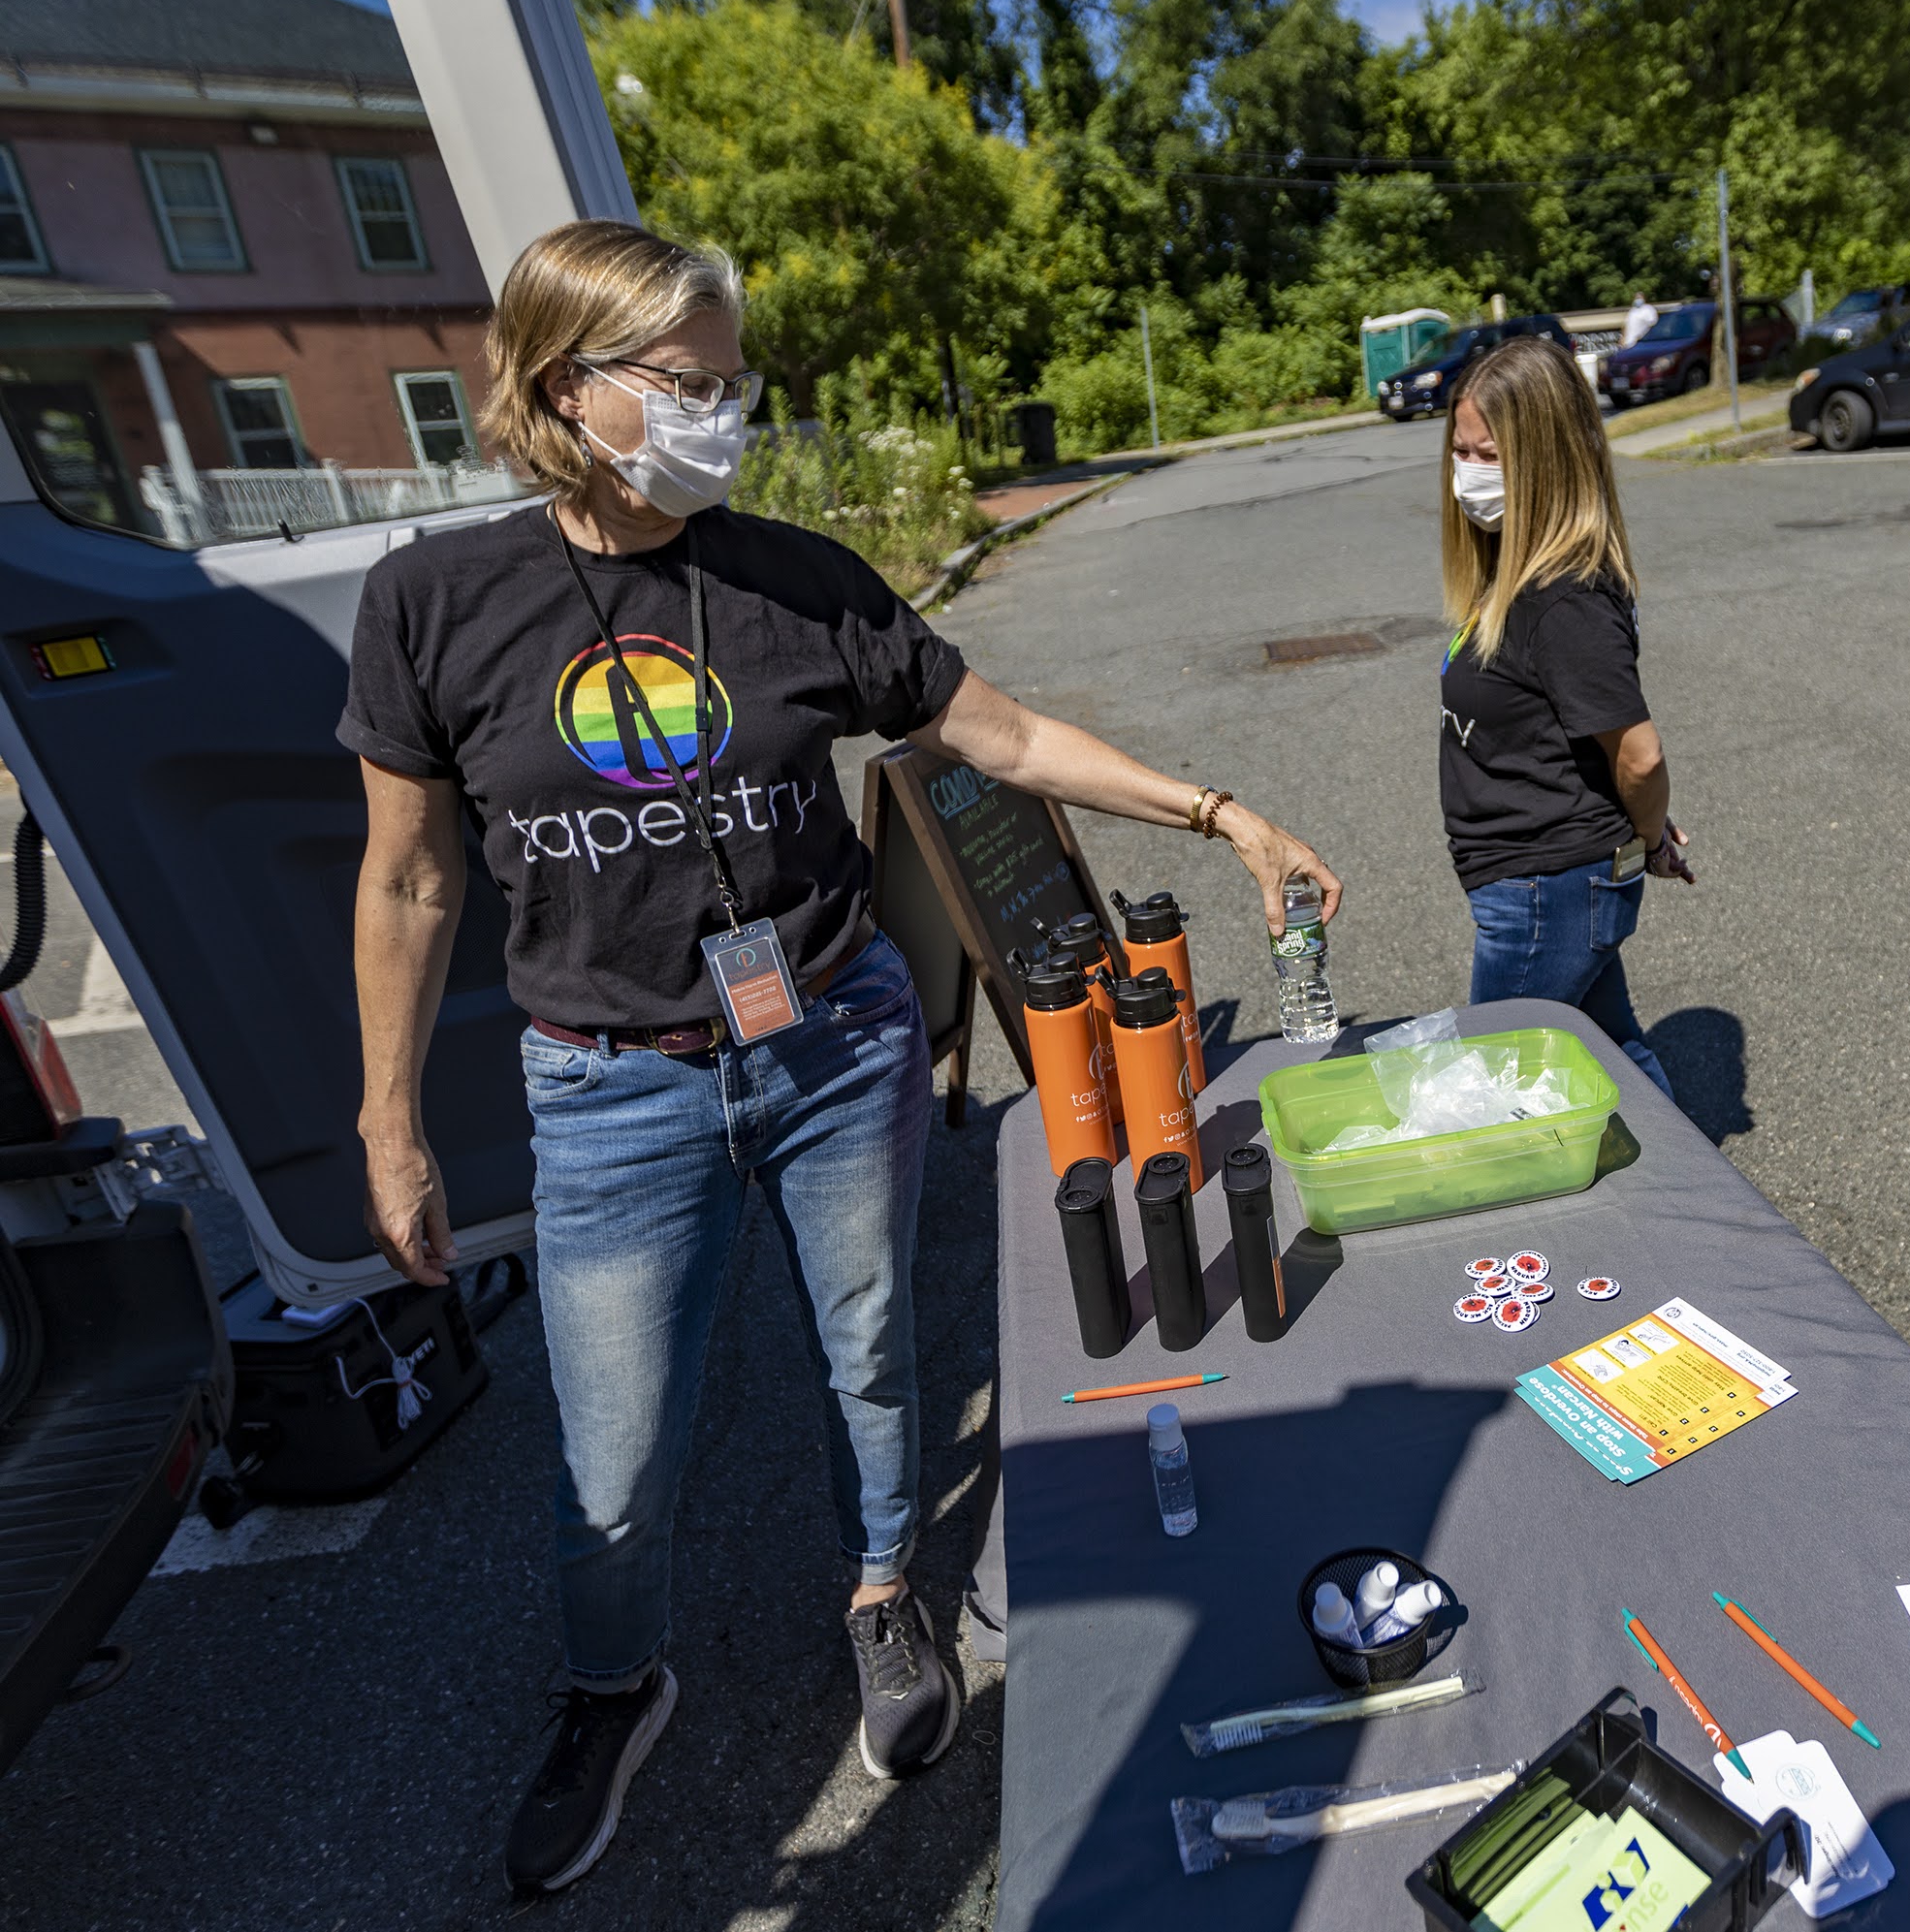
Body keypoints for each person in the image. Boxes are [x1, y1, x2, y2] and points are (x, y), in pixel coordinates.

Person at [341, 221, 1341, 1895]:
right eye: (689, 386)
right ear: (565, 386)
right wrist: (387, 1120)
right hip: (608, 1084)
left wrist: (1220, 808)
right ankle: (617, 1686)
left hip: (833, 1038)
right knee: (616, 1441)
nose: (723, 417)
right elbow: (408, 877)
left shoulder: (796, 578)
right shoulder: (437, 604)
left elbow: (1000, 734)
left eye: (736, 383)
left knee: (873, 1350)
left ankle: (887, 1592)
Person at [1436, 336, 1692, 1094]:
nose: (1468, 473)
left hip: (1550, 888)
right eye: (1461, 450)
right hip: (1549, 883)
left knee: (1502, 1087)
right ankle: (1685, 1193)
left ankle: (1664, 1206)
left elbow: (1638, 755)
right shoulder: (1513, 569)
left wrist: (1646, 838)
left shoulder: (1565, 598)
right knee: (1618, 1055)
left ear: (1544, 460)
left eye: (1489, 455)